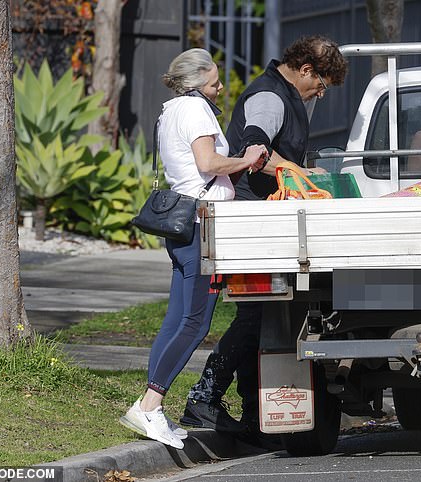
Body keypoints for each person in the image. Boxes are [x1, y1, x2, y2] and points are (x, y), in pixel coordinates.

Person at [181, 35, 348, 441]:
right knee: (257, 315)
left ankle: (254, 413)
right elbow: (254, 149)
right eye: (322, 84)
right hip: (254, 219)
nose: (321, 93)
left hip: (267, 218)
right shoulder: (270, 98)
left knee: (264, 317)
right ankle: (204, 396)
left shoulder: (288, 95)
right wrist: (298, 172)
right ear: (307, 69)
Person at [119, 48, 267, 449]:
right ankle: (150, 405)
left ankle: (151, 409)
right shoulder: (198, 111)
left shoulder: (169, 111)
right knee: (195, 323)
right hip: (203, 222)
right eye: (215, 81)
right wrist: (246, 157)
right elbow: (209, 163)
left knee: (175, 319)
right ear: (197, 82)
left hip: (183, 224)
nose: (220, 87)